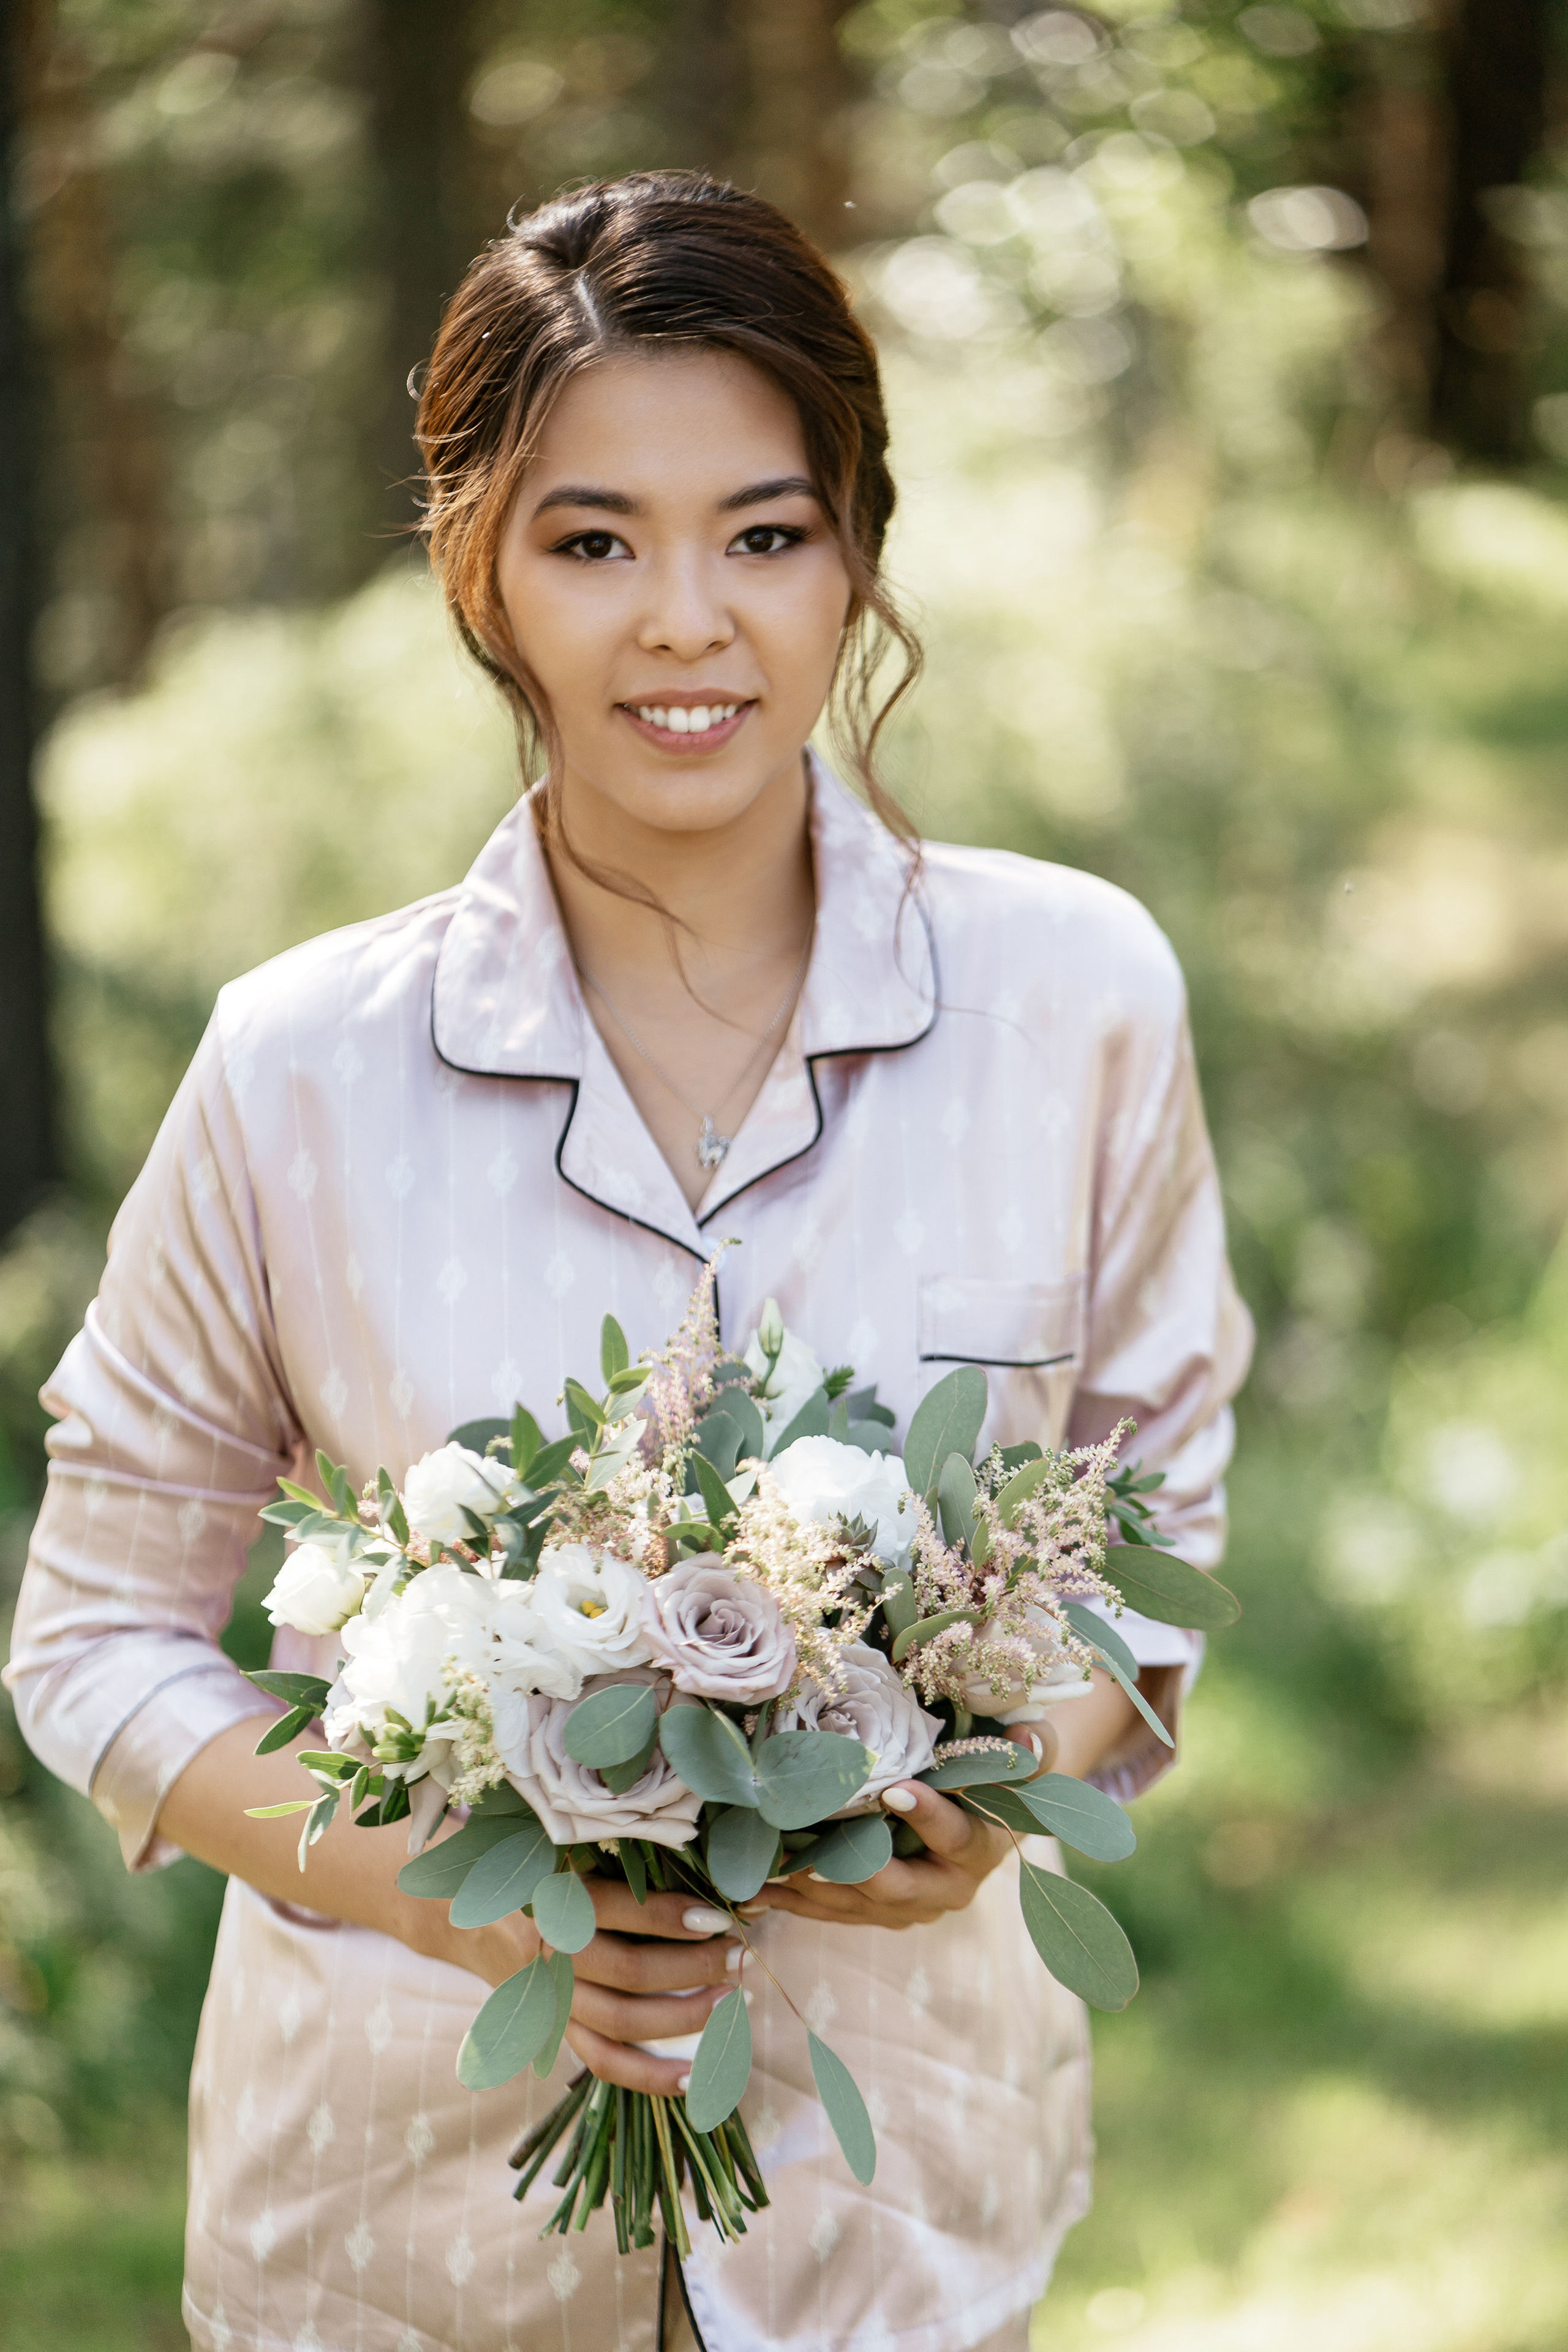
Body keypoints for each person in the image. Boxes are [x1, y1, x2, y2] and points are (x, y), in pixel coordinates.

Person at [5, 171, 1253, 2352]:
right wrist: (448, 1895)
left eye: (764, 535)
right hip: (391, 2234)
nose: (689, 622)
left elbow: (1155, 1515)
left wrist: (1002, 1779)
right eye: (595, 543)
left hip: (901, 2226)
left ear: (858, 552)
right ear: (479, 570)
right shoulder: (300, 1067)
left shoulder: (1078, 1001)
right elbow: (95, 1637)